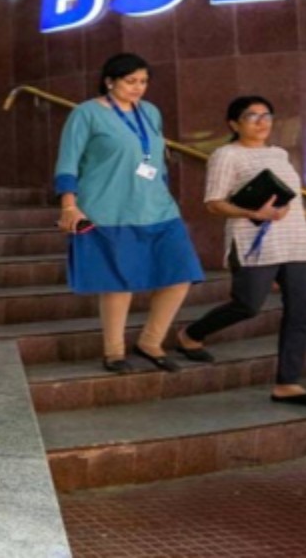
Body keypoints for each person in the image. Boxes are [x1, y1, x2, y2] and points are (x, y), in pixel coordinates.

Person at [176, 96, 306, 408]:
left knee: (300, 313)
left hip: (296, 242)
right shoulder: (226, 155)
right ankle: (191, 334)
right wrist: (254, 213)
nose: (261, 121)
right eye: (251, 116)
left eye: (266, 115)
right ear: (234, 123)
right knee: (247, 305)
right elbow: (214, 203)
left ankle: (287, 383)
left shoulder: (279, 154)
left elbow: (291, 204)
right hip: (253, 242)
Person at [55, 53, 205, 374]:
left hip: (159, 208)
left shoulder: (150, 112)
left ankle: (151, 342)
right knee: (118, 283)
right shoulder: (86, 113)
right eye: (130, 81)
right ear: (110, 81)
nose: (138, 87)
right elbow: (68, 163)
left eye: (144, 81)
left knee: (181, 274)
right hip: (109, 210)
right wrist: (69, 205)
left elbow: (156, 159)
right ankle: (114, 352)